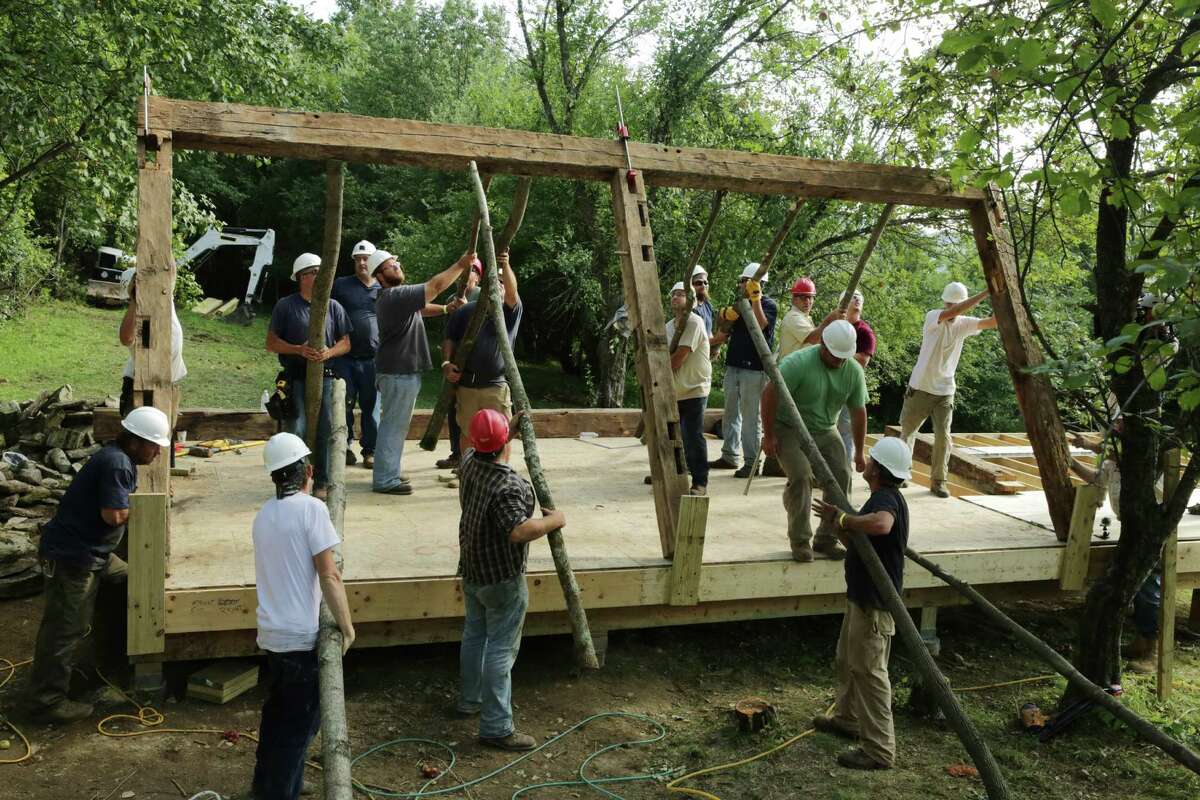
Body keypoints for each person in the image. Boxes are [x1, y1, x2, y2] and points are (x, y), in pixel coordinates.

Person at [24, 406, 170, 723]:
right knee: (64, 630)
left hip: (96, 554)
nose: (158, 452)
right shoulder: (118, 463)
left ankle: (109, 654)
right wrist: (146, 510)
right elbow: (113, 515)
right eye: (154, 445)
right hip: (74, 558)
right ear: (135, 441)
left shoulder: (118, 457)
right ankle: (46, 702)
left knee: (136, 582)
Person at [248, 433, 355, 800]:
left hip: (272, 635)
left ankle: (271, 785)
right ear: (308, 470)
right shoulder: (312, 510)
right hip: (300, 638)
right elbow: (329, 574)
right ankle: (279, 793)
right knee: (299, 728)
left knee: (278, 717)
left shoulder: (264, 515)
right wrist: (347, 625)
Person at [456, 409, 566, 751]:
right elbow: (518, 531)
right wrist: (554, 521)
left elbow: (485, 447)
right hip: (502, 577)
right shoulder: (509, 486)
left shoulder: (470, 461)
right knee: (501, 648)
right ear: (504, 442)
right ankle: (495, 727)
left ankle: (469, 700)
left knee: (474, 635)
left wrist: (507, 432)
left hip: (473, 568)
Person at [810, 436, 912, 771]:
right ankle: (848, 719)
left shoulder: (886, 498)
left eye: (871, 459)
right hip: (861, 598)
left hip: (875, 605)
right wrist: (837, 522)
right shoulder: (877, 498)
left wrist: (843, 520)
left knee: (870, 672)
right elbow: (859, 540)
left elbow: (881, 525)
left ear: (878, 468)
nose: (866, 463)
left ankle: (879, 750)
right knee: (848, 660)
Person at [761, 320, 866, 562]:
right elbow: (769, 393)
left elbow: (858, 412)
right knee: (801, 475)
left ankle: (826, 538)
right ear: (823, 345)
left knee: (842, 474)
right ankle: (800, 540)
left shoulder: (853, 371)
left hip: (825, 429)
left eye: (844, 357)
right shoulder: (797, 363)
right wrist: (769, 435)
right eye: (834, 355)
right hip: (788, 427)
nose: (839, 361)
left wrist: (859, 452)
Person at [371, 249, 473, 495]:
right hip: (398, 372)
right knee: (393, 426)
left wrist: (447, 310)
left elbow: (422, 308)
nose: (396, 266)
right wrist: (460, 264)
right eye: (389, 265)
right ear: (380, 276)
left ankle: (389, 472)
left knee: (395, 425)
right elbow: (436, 285)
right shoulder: (394, 295)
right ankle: (385, 479)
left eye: (396, 262)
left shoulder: (394, 299)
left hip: (398, 372)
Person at [266, 253, 351, 499]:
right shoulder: (286, 305)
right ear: (300, 278)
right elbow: (271, 343)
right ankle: (292, 480)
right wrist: (298, 349)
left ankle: (321, 480)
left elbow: (346, 342)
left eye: (319, 272)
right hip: (295, 377)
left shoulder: (333, 306)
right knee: (297, 427)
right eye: (311, 272)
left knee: (326, 427)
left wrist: (328, 352)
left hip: (325, 376)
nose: (317, 276)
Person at [899, 282, 996, 498]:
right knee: (907, 433)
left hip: (945, 390)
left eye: (956, 303)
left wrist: (1001, 297)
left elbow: (992, 322)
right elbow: (955, 312)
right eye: (950, 303)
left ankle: (939, 482)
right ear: (945, 302)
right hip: (921, 387)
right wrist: (986, 292)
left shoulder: (963, 324)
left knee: (943, 436)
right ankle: (901, 474)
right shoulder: (934, 316)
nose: (952, 308)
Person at [443, 253, 522, 456]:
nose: (500, 286)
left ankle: (500, 471)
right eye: (496, 282)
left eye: (503, 283)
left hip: (495, 386)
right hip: (467, 385)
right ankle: (468, 472)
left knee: (502, 432)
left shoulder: (510, 312)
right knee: (468, 433)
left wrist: (506, 263)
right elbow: (450, 338)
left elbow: (513, 294)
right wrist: (445, 363)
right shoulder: (465, 311)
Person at [709, 263, 778, 478]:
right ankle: (729, 456)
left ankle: (751, 463)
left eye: (746, 282)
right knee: (730, 414)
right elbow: (721, 323)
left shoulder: (768, 305)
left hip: (755, 370)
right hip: (734, 366)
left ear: (758, 284)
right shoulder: (739, 304)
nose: (742, 285)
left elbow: (761, 324)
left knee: (750, 419)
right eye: (742, 282)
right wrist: (728, 313)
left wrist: (755, 299)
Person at [332, 240, 380, 469]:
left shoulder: (384, 286)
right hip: (344, 358)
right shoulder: (341, 285)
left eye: (366, 258)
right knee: (344, 404)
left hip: (373, 359)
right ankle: (345, 447)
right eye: (358, 259)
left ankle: (370, 451)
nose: (362, 262)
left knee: (371, 407)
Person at [118, 267, 187, 420]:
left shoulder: (166, 301)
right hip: (140, 386)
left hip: (167, 385)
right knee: (136, 437)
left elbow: (171, 269)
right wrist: (137, 300)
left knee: (163, 434)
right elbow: (126, 338)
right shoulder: (137, 316)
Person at [665, 282, 712, 495]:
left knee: (692, 435)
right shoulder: (668, 326)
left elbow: (676, 360)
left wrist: (659, 368)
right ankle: (672, 473)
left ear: (690, 300)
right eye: (674, 294)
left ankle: (700, 482)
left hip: (694, 389)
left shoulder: (694, 322)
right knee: (671, 436)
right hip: (674, 391)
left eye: (681, 294)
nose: (676, 297)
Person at [836, 290, 875, 468]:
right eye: (853, 296)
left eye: (860, 296)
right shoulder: (836, 326)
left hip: (850, 386)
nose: (857, 298)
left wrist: (837, 353)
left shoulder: (865, 332)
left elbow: (863, 361)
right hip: (830, 383)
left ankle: (843, 470)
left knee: (845, 429)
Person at [690, 264, 715, 335]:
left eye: (705, 282)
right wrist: (718, 339)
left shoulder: (708, 305)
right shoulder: (689, 308)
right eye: (699, 283)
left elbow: (709, 332)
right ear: (690, 285)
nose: (703, 285)